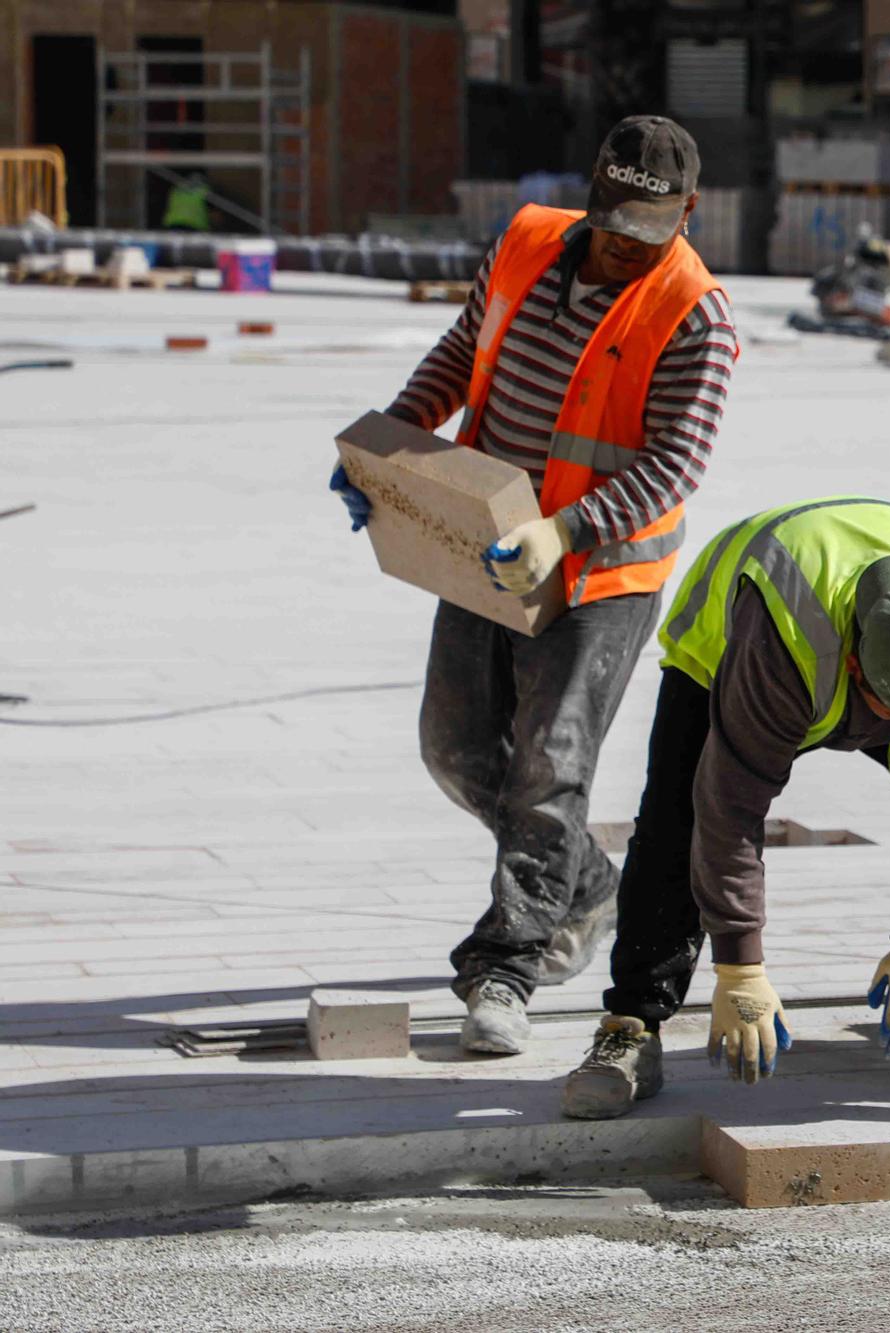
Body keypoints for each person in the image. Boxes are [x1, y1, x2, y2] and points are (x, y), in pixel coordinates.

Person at [327, 116, 737, 1055]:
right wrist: (385, 449)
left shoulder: (695, 313)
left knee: (552, 764)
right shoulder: (524, 242)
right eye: (610, 223)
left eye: (644, 230)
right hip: (490, 545)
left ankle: (507, 965)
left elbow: (676, 462)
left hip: (603, 570)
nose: (620, 248)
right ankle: (586, 883)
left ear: (687, 213)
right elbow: (460, 353)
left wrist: (566, 532)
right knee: (456, 747)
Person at [559, 497, 890, 1120]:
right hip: (733, 636)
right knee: (678, 822)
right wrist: (739, 967)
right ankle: (631, 1027)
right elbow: (730, 809)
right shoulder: (781, 639)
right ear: (857, 666)